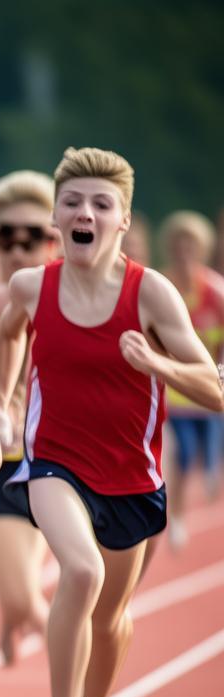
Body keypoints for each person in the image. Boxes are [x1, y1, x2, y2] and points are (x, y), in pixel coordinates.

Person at [0, 148, 223, 697]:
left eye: (100, 204)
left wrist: (155, 360)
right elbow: (9, 334)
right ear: (57, 217)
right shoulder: (33, 287)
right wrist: (7, 396)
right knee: (81, 573)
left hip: (132, 480)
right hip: (53, 465)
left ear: (122, 221)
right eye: (73, 203)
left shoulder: (150, 293)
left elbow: (213, 387)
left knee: (110, 621)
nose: (84, 213)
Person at [0, 171, 60, 662]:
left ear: (55, 240)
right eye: (6, 238)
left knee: (25, 585)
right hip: (4, 464)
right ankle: (83, 694)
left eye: (32, 238)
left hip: (65, 465)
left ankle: (15, 618)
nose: (18, 251)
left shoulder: (77, 306)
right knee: (24, 593)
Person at [157, 211, 224, 549]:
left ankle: (212, 472)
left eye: (192, 245)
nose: (185, 251)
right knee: (182, 456)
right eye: (178, 244)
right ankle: (179, 517)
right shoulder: (161, 287)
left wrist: (220, 372)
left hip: (209, 394)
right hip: (174, 395)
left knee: (209, 459)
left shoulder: (215, 292)